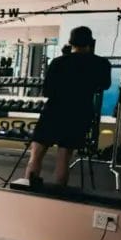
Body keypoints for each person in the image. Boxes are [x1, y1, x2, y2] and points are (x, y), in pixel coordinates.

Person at [22, 26, 112, 186]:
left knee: (36, 155)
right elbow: (104, 85)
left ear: (71, 42)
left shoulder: (58, 62)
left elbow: (47, 91)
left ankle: (28, 189)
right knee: (64, 157)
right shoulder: (101, 63)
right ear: (90, 42)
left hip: (54, 111)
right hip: (79, 112)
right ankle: (59, 195)